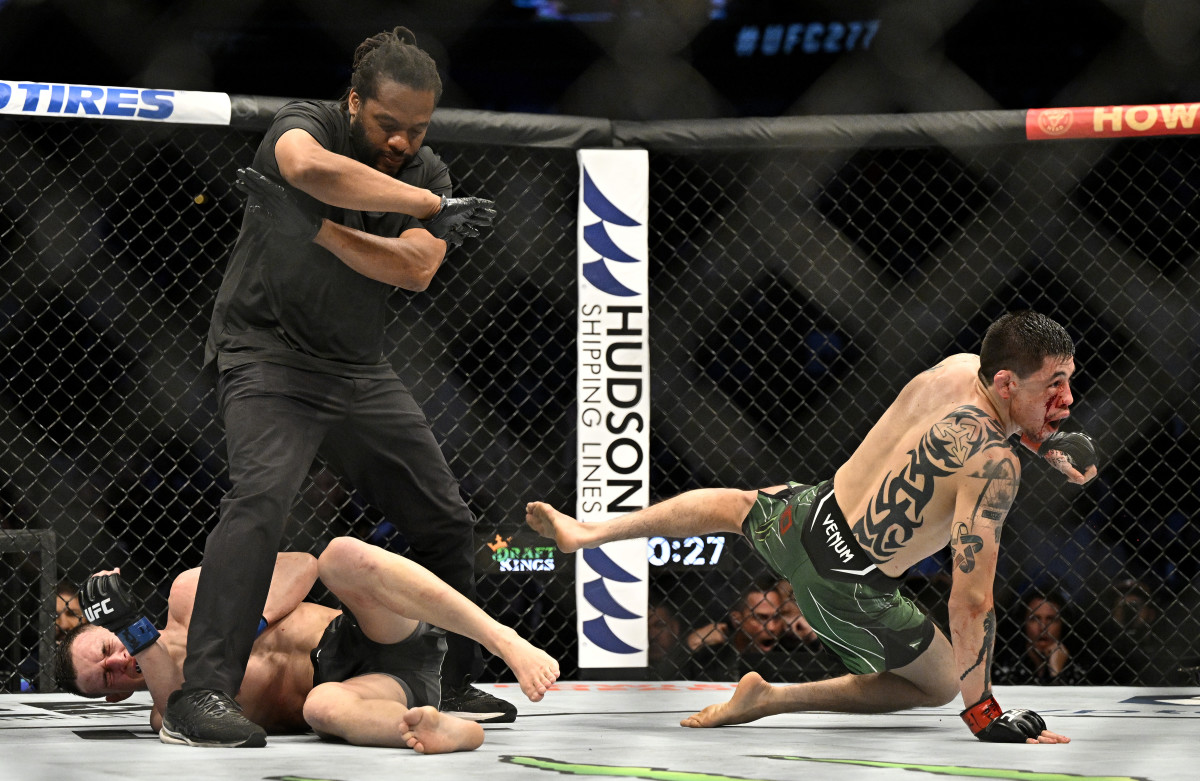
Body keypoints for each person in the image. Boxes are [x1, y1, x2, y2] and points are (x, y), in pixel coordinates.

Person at [527, 310, 1097, 744]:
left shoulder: (952, 370)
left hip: (809, 514)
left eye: (1069, 381)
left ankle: (590, 533)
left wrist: (1041, 439)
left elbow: (959, 433)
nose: (1067, 398)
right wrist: (983, 713)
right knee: (943, 682)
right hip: (849, 583)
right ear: (1005, 383)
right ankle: (773, 698)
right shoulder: (994, 468)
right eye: (1053, 384)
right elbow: (969, 602)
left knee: (734, 506)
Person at [171, 26, 504, 746]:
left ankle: (453, 676)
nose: (402, 143)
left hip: (356, 367)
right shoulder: (309, 124)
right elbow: (304, 167)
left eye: (417, 130)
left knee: (445, 516)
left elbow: (414, 269)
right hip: (266, 353)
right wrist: (423, 208)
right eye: (388, 125)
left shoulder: (430, 173)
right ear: (354, 103)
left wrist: (318, 232)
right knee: (260, 499)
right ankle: (200, 694)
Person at [56, 537, 559, 753]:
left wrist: (245, 623)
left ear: (106, 629)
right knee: (323, 707)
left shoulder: (190, 594)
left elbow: (301, 564)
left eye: (107, 648)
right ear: (114, 696)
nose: (119, 662)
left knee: (340, 555)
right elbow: (171, 709)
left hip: (367, 630)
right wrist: (136, 633)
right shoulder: (174, 709)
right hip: (374, 687)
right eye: (107, 677)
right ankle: (450, 731)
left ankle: (502, 638)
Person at [993, 589, 1084, 686]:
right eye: (1034, 619)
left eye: (1051, 619)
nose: (1043, 627)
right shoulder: (1006, 670)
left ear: (1062, 624)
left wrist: (1056, 673)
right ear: (1024, 623)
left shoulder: (1079, 671)